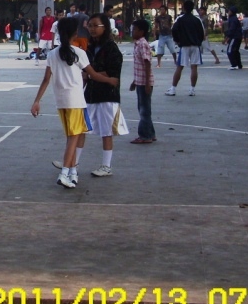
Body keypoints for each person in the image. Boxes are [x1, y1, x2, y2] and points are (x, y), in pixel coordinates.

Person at [31, 17, 99, 189]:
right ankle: (64, 173)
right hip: (76, 100)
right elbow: (93, 74)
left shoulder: (53, 54)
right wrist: (110, 80)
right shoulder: (79, 53)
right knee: (73, 138)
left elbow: (46, 79)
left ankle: (73, 172)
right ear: (75, 33)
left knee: (72, 137)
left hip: (61, 101)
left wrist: (37, 101)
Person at [84, 13, 123, 177]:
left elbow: (112, 75)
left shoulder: (111, 48)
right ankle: (72, 161)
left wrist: (91, 75)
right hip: (90, 94)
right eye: (90, 25)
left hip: (107, 95)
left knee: (106, 131)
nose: (92, 29)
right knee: (81, 129)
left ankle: (106, 166)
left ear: (105, 27)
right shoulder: (90, 47)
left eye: (95, 26)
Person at [165, 0, 205, 97]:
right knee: (194, 67)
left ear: (183, 7)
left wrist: (177, 40)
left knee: (180, 67)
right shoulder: (197, 20)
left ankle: (173, 89)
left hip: (185, 46)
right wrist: (198, 42)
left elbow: (174, 30)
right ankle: (192, 89)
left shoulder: (180, 19)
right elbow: (202, 33)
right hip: (195, 45)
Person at [129, 18, 155, 143]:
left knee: (144, 109)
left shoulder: (142, 44)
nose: (132, 32)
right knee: (144, 108)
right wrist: (135, 81)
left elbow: (147, 63)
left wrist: (147, 83)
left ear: (142, 31)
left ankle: (145, 135)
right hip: (140, 81)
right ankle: (151, 133)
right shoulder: (138, 43)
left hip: (144, 82)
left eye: (135, 29)